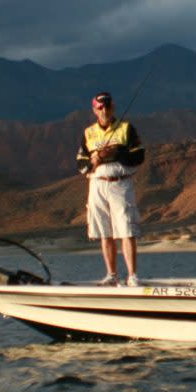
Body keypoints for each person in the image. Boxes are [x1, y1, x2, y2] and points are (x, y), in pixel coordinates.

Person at [77, 91, 146, 286]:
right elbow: (80, 163)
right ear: (94, 110)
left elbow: (139, 156)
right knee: (103, 231)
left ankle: (132, 276)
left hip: (120, 183)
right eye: (100, 107)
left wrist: (116, 152)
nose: (104, 110)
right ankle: (111, 275)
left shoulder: (125, 129)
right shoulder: (88, 133)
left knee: (126, 229)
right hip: (97, 184)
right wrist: (93, 160)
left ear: (113, 107)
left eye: (107, 106)